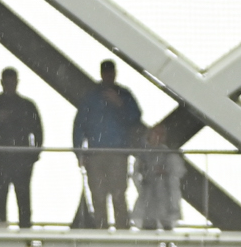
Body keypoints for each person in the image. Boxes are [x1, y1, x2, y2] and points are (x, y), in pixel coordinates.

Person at [73, 59, 142, 229]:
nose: (108, 75)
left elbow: (135, 118)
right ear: (102, 74)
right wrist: (79, 153)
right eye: (106, 72)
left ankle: (122, 230)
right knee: (98, 195)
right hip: (95, 153)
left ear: (114, 73)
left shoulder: (124, 94)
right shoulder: (91, 97)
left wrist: (120, 104)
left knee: (119, 195)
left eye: (111, 72)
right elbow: (79, 125)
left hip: (118, 153)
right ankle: (101, 230)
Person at [0, 69, 43, 227]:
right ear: (2, 83)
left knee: (24, 203)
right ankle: (3, 237)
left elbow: (38, 132)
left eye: (12, 82)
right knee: (0, 203)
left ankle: (26, 237)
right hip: (0, 162)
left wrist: (33, 156)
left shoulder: (27, 106)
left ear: (17, 82)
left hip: (20, 162)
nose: (10, 86)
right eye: (7, 83)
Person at [133, 130, 185, 233]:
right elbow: (136, 174)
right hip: (148, 190)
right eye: (156, 133)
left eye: (161, 134)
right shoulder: (143, 154)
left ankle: (167, 240)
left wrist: (166, 171)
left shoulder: (169, 154)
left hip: (165, 190)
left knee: (166, 219)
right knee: (148, 219)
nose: (158, 137)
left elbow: (179, 171)